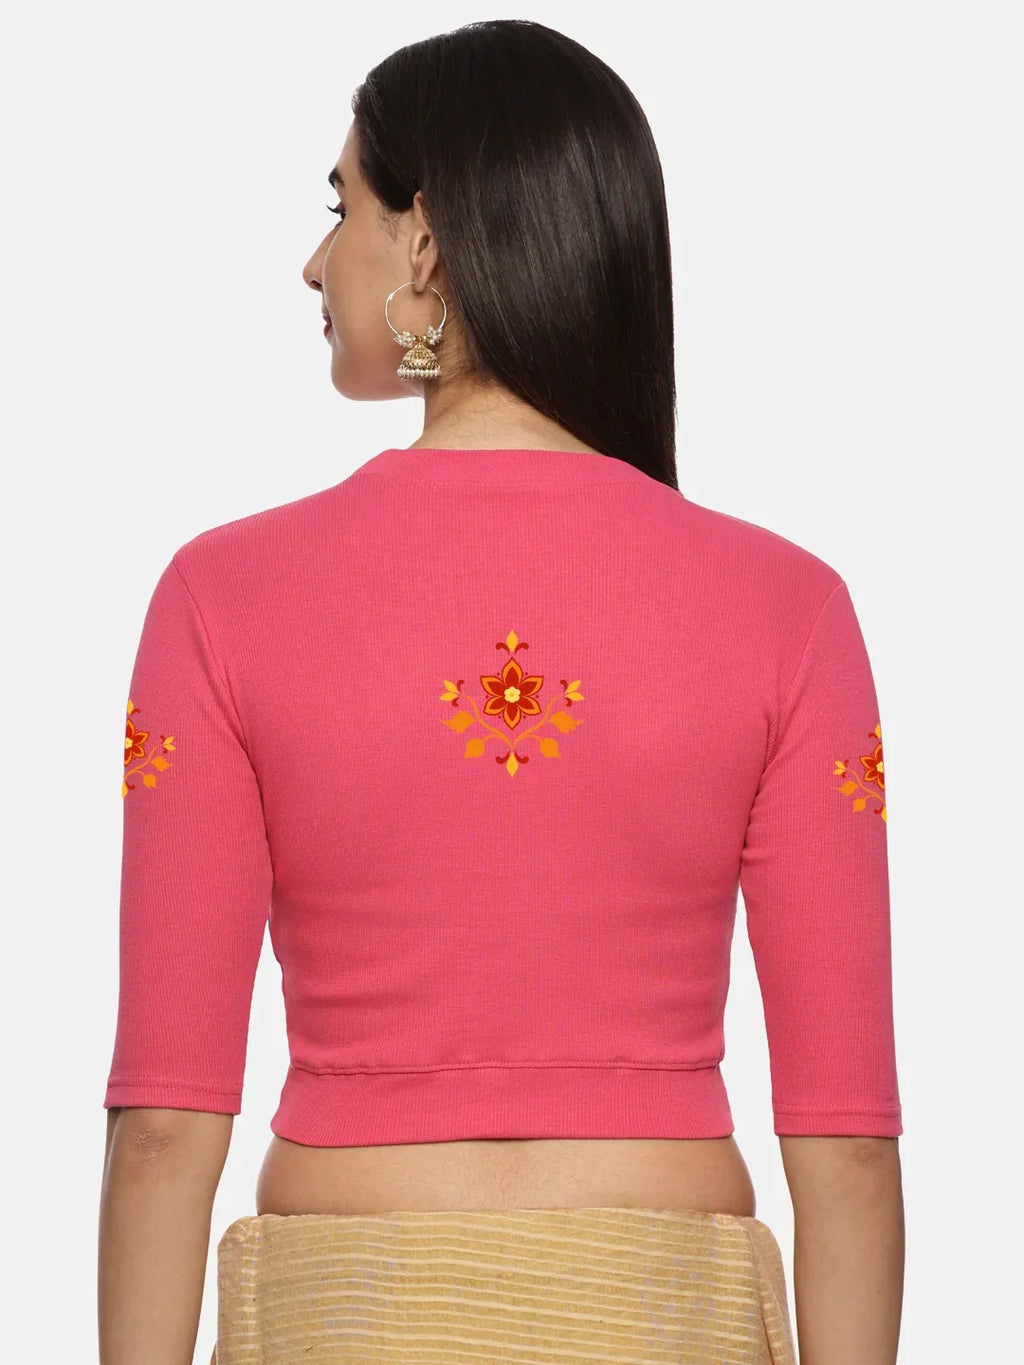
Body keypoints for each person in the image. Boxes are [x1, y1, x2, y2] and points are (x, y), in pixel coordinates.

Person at [97, 18, 905, 1365]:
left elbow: (165, 1126)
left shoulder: (219, 596)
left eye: (340, 206)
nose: (314, 260)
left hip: (342, 1316)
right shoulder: (790, 607)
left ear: (425, 244)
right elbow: (850, 1149)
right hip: (666, 1317)